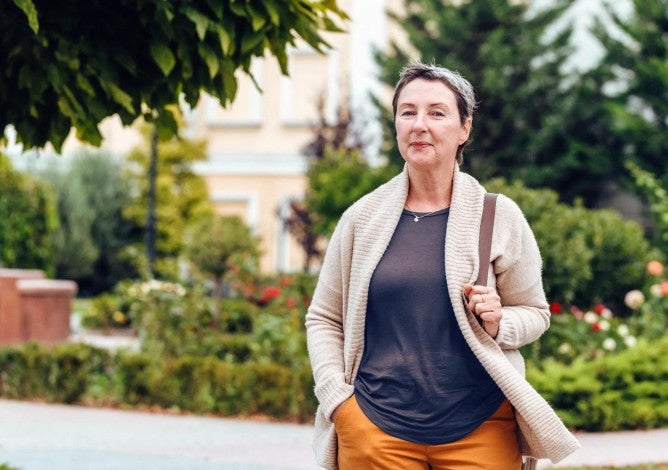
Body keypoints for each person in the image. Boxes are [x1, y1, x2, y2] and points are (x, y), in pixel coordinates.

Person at [305, 61, 580, 470]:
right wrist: (337, 400)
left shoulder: (497, 216)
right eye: (408, 112)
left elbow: (536, 313)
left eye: (436, 112)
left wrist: (498, 322)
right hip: (374, 431)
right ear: (396, 124)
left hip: (482, 428)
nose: (420, 124)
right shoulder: (362, 219)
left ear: (464, 128)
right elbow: (325, 317)